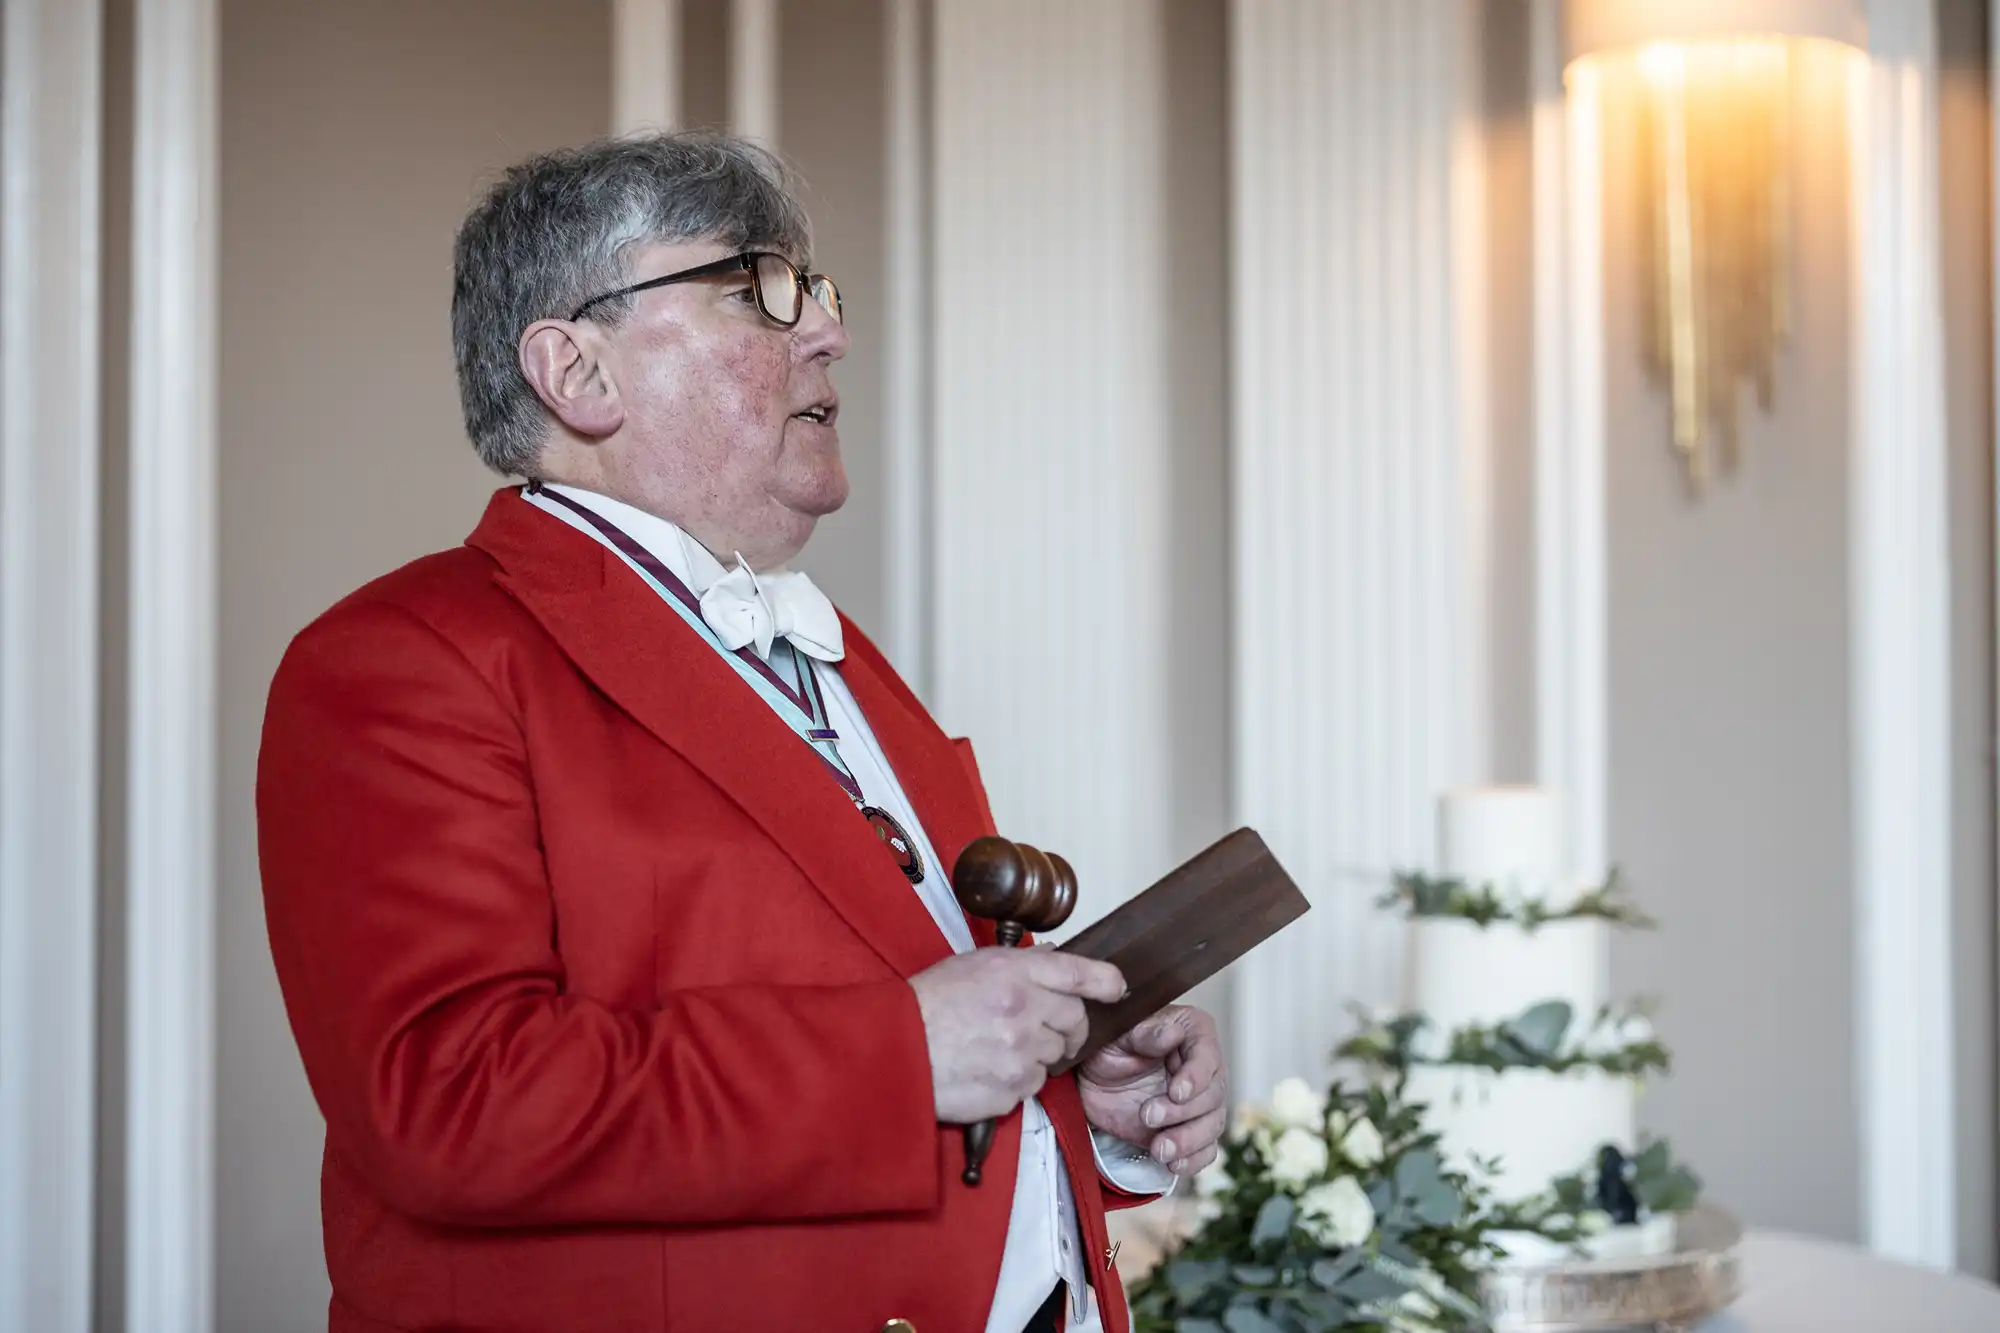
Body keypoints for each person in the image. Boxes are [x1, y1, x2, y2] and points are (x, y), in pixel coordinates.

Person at [255, 131, 1227, 1333]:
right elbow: (447, 1104)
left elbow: (902, 1042)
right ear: (577, 372)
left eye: (815, 292)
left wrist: (1078, 1111)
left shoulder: (837, 654)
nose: (826, 333)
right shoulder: (406, 658)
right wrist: (902, 1055)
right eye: (756, 291)